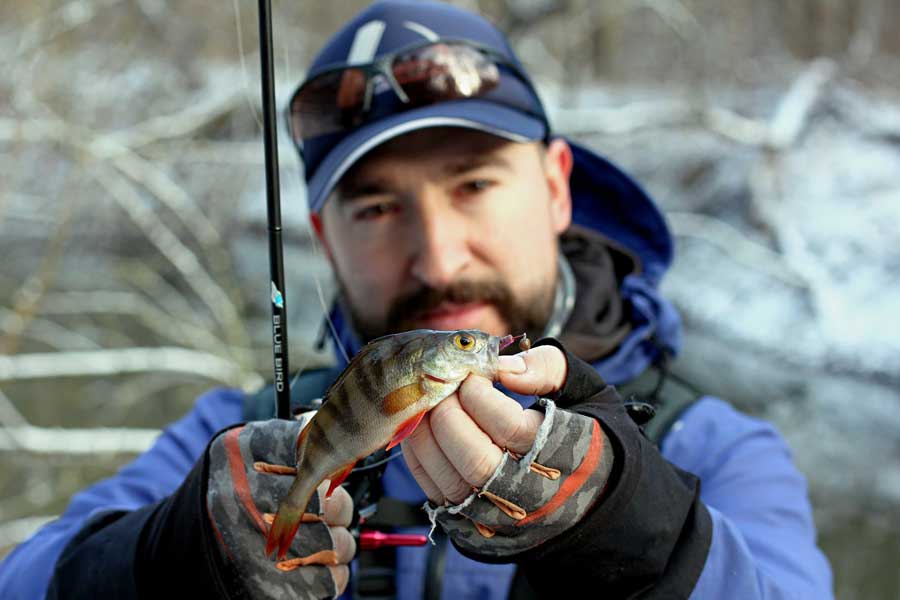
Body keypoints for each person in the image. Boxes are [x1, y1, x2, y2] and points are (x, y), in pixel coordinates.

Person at [0, 1, 834, 598]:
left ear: (554, 188)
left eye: (472, 184)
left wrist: (643, 540)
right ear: (325, 240)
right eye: (376, 207)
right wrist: (162, 561)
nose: (437, 257)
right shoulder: (241, 435)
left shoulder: (719, 452)